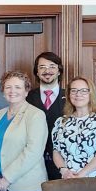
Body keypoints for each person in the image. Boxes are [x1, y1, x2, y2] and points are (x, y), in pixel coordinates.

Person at [51, 77, 96, 179]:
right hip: (69, 179)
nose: (78, 94)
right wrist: (64, 171)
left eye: (84, 91)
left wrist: (81, 174)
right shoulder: (60, 122)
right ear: (68, 94)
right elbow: (56, 151)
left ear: (91, 94)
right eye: (74, 90)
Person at [27, 52, 67, 181]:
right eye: (42, 67)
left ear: (59, 71)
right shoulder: (26, 97)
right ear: (37, 72)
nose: (47, 71)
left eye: (52, 66)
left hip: (64, 165)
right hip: (33, 164)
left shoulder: (71, 97)